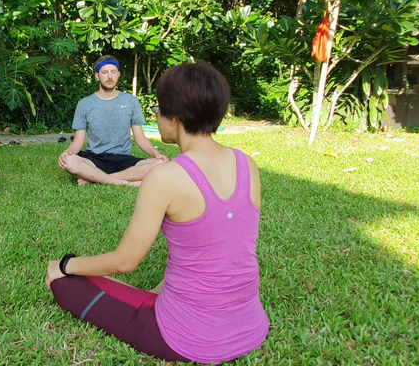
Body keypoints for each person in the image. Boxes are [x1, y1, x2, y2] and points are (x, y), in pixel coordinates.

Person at [46, 62, 268, 364]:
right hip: (251, 327)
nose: (156, 116)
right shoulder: (248, 165)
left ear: (173, 118)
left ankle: (64, 272)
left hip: (184, 338)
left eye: (159, 109)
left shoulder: (165, 177)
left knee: (57, 277)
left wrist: (67, 264)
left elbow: (125, 261)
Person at [58, 55, 169, 187]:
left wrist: (156, 154)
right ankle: (127, 183)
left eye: (113, 72)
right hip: (94, 159)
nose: (110, 77)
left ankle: (95, 179)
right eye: (105, 72)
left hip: (123, 159)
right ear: (97, 76)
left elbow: (140, 138)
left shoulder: (131, 102)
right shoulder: (84, 104)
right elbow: (78, 141)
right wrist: (67, 153)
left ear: (118, 74)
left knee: (160, 164)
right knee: (70, 161)